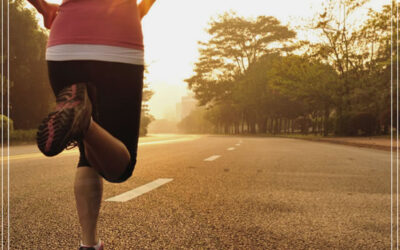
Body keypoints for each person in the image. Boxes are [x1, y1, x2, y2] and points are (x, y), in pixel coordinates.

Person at [26, 0, 156, 249]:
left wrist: (43, 7)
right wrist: (140, 9)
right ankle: (84, 122)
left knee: (89, 154)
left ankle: (89, 244)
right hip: (119, 41)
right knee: (119, 168)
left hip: (64, 45)